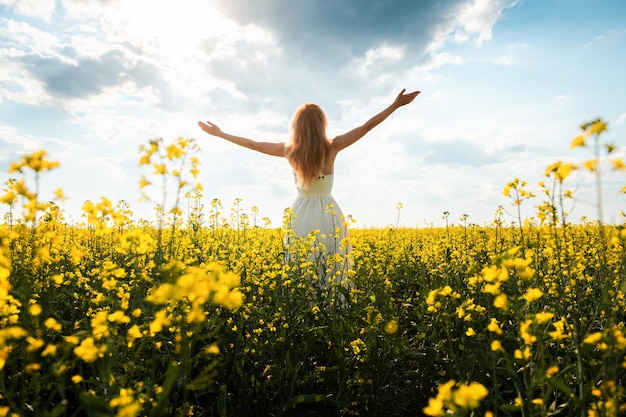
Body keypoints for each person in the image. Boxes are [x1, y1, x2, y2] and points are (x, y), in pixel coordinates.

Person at [198, 88, 420, 263]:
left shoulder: (289, 150)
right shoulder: (333, 146)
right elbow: (367, 126)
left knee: (301, 262)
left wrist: (220, 134)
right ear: (321, 124)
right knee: (332, 263)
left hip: (300, 213)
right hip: (329, 212)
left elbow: (253, 145)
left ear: (297, 127)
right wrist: (395, 105)